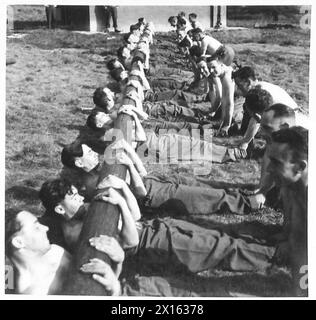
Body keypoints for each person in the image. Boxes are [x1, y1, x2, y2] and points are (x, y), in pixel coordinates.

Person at [39, 175, 277, 279]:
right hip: (152, 246)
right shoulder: (78, 233)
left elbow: (137, 214)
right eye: (73, 197)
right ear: (60, 209)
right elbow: (130, 242)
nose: (80, 198)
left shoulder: (86, 212)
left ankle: (274, 245)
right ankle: (278, 256)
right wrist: (121, 202)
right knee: (220, 249)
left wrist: (122, 188)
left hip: (155, 227)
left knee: (219, 237)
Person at [5, 210, 212, 296]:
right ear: (18, 241)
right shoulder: (31, 293)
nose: (46, 228)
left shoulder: (56, 252)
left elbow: (108, 277)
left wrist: (118, 262)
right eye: (35, 227)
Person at [266, 126, 308, 296]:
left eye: (276, 163)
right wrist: (300, 291)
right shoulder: (296, 187)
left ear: (299, 167)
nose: (268, 169)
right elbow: (299, 242)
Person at [232, 66, 299, 150]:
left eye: (239, 85)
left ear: (248, 82)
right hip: (285, 115)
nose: (238, 89)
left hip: (290, 119)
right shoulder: (260, 87)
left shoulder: (259, 93)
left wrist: (245, 142)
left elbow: (256, 119)